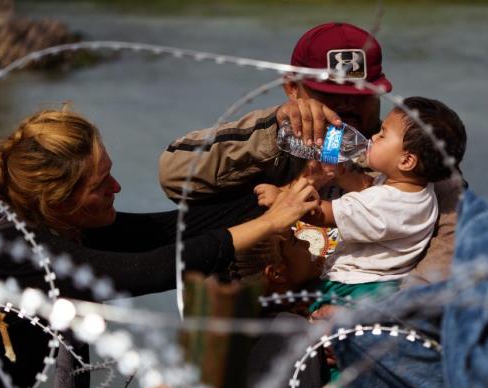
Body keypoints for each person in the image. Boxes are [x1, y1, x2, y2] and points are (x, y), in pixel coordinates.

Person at [0, 108, 319, 388]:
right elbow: (149, 270)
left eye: (110, 171)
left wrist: (280, 193)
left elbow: (172, 230)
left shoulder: (59, 222)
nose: (117, 187)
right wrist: (270, 223)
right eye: (100, 185)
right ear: (59, 201)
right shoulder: (16, 248)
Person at [158, 21, 462, 288]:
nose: (346, 107)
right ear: (293, 88)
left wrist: (378, 319)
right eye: (330, 95)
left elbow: (448, 253)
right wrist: (273, 129)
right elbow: (173, 176)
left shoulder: (420, 162)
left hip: (359, 314)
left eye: (360, 95)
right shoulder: (268, 137)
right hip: (253, 316)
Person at [257, 96, 467, 309]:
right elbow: (367, 185)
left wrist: (282, 200)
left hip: (354, 286)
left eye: (382, 135)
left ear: (406, 161)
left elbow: (322, 215)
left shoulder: (383, 204)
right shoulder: (416, 190)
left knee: (305, 312)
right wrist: (340, 174)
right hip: (383, 284)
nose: (373, 137)